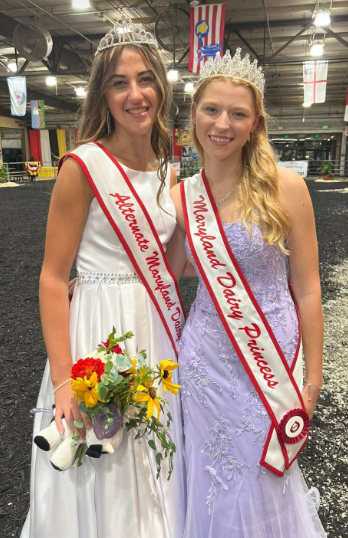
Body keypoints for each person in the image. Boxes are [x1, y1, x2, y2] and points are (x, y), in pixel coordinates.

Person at [21, 16, 186, 538]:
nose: (135, 94)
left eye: (144, 79)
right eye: (119, 83)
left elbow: (173, 265)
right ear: (103, 95)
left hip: (154, 328)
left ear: (160, 85)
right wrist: (66, 380)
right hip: (97, 327)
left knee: (154, 455)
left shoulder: (167, 167)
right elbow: (52, 279)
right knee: (102, 465)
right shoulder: (82, 165)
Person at [169, 49, 327, 537]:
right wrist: (91, 281)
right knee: (209, 469)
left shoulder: (287, 187)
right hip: (205, 362)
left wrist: (313, 377)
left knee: (264, 472)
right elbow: (165, 275)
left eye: (238, 113)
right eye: (211, 109)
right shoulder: (179, 196)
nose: (223, 124)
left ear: (255, 122)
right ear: (194, 114)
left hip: (270, 355)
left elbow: (308, 288)